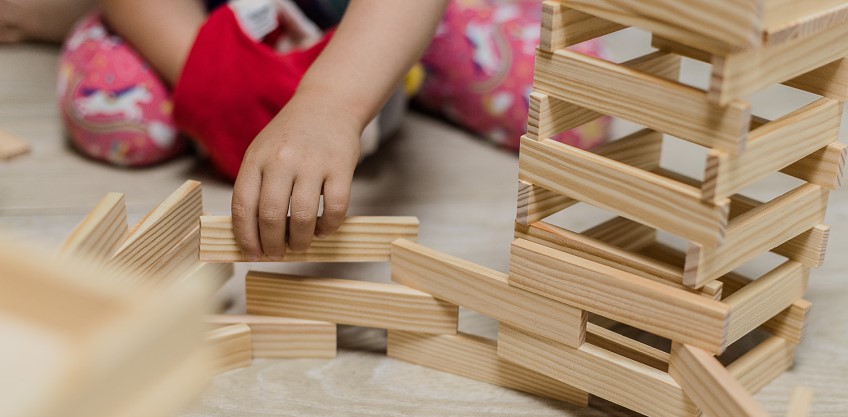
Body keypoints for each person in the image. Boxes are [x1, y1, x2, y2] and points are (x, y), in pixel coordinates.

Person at [7, 0, 610, 258]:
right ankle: (65, 13)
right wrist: (209, 73)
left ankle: (396, 58)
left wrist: (331, 102)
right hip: (201, 11)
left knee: (574, 109)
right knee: (115, 117)